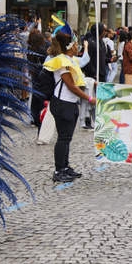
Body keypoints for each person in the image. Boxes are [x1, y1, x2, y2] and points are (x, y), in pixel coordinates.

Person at [42, 31, 94, 183]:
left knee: (67, 138)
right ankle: (59, 170)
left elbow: (81, 79)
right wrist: (89, 98)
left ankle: (65, 167)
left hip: (70, 103)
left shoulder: (70, 59)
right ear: (69, 47)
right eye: (76, 44)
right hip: (62, 103)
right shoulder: (61, 61)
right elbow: (71, 85)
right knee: (63, 138)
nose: (78, 46)